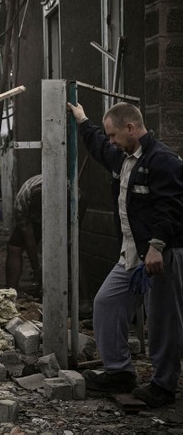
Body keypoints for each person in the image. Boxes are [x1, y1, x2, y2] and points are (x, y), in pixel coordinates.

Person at [67, 101, 183, 407]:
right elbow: (97, 145)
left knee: (162, 320)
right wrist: (82, 119)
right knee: (107, 303)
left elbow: (171, 207)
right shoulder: (122, 157)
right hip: (132, 253)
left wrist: (157, 247)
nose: (110, 141)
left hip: (161, 254)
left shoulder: (164, 160)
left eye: (114, 134)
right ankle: (119, 372)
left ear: (130, 128)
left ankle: (164, 385)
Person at [6, 174, 43, 294]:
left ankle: (84, 299)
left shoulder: (71, 195)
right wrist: (36, 268)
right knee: (14, 247)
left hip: (64, 206)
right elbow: (30, 241)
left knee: (70, 248)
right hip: (33, 204)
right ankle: (11, 292)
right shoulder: (21, 203)